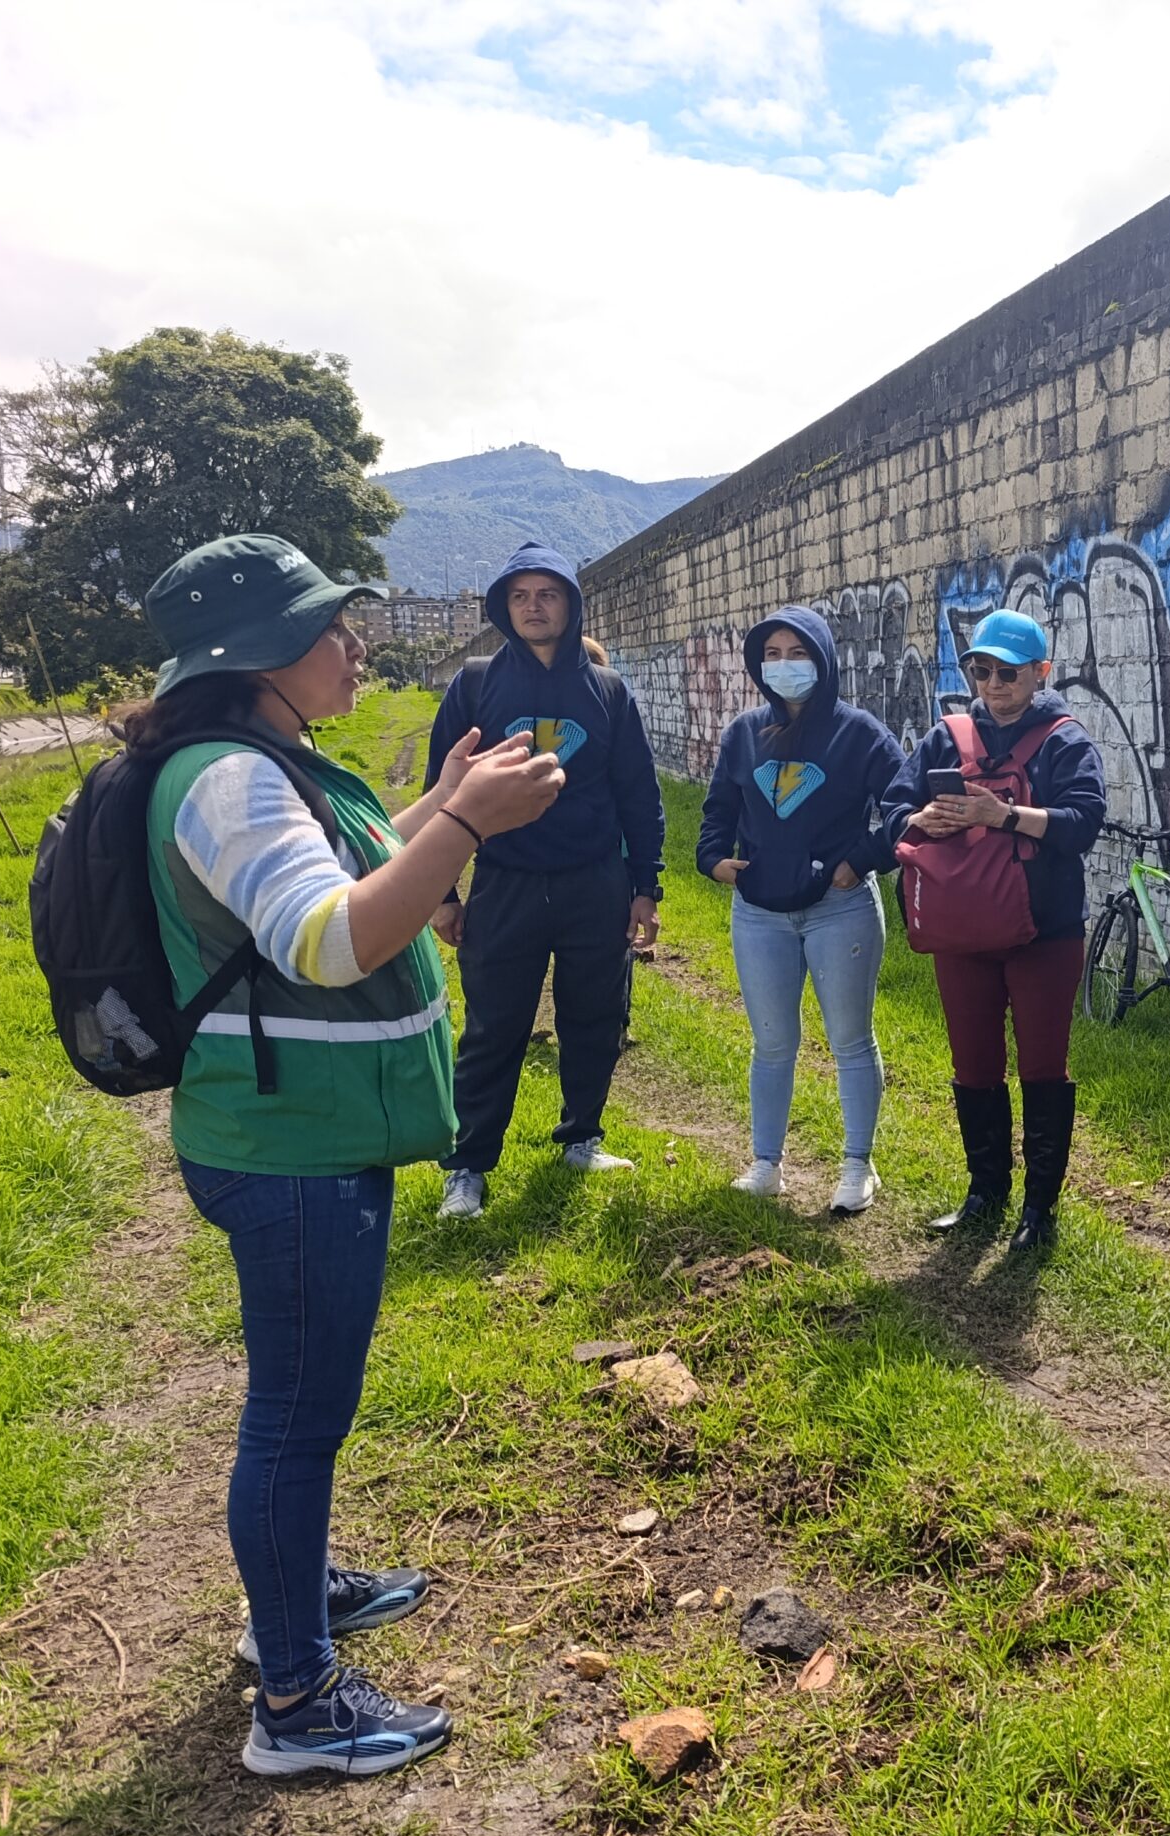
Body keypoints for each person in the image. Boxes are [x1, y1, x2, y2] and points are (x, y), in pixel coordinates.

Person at [133, 534, 564, 1772]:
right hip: (291, 1149)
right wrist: (467, 828)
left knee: (300, 1405)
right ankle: (298, 1701)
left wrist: (439, 803)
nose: (355, 645)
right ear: (263, 654)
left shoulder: (258, 759)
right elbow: (334, 938)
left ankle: (295, 1596)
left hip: (302, 1135)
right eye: (332, 627)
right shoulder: (230, 780)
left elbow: (349, 871)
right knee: (296, 1416)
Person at [426, 544, 666, 1217]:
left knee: (595, 1016)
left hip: (595, 882)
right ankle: (468, 1166)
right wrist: (443, 894)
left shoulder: (608, 692)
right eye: (521, 596)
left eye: (548, 595)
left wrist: (646, 885)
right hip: (506, 881)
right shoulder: (476, 685)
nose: (535, 608)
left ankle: (581, 1135)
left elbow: (638, 795)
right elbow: (439, 789)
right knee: (492, 1026)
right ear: (505, 607)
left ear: (571, 603)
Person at [882, 610, 1107, 1250]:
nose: (993, 683)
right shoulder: (945, 737)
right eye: (979, 669)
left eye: (1008, 672)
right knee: (973, 1063)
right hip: (962, 928)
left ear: (1041, 673)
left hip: (1045, 933)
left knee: (1042, 1066)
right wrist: (924, 816)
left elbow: (1083, 823)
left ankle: (1039, 1210)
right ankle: (985, 1192)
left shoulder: (1065, 741)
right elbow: (895, 809)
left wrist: (1003, 814)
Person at [696, 605, 906, 1213]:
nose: (784, 666)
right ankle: (765, 1164)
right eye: (773, 655)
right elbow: (718, 810)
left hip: (840, 911)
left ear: (824, 660)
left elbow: (903, 808)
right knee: (772, 1043)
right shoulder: (743, 734)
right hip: (759, 913)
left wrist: (860, 861)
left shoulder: (859, 732)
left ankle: (857, 1167)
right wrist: (712, 860)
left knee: (850, 1040)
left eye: (798, 654)